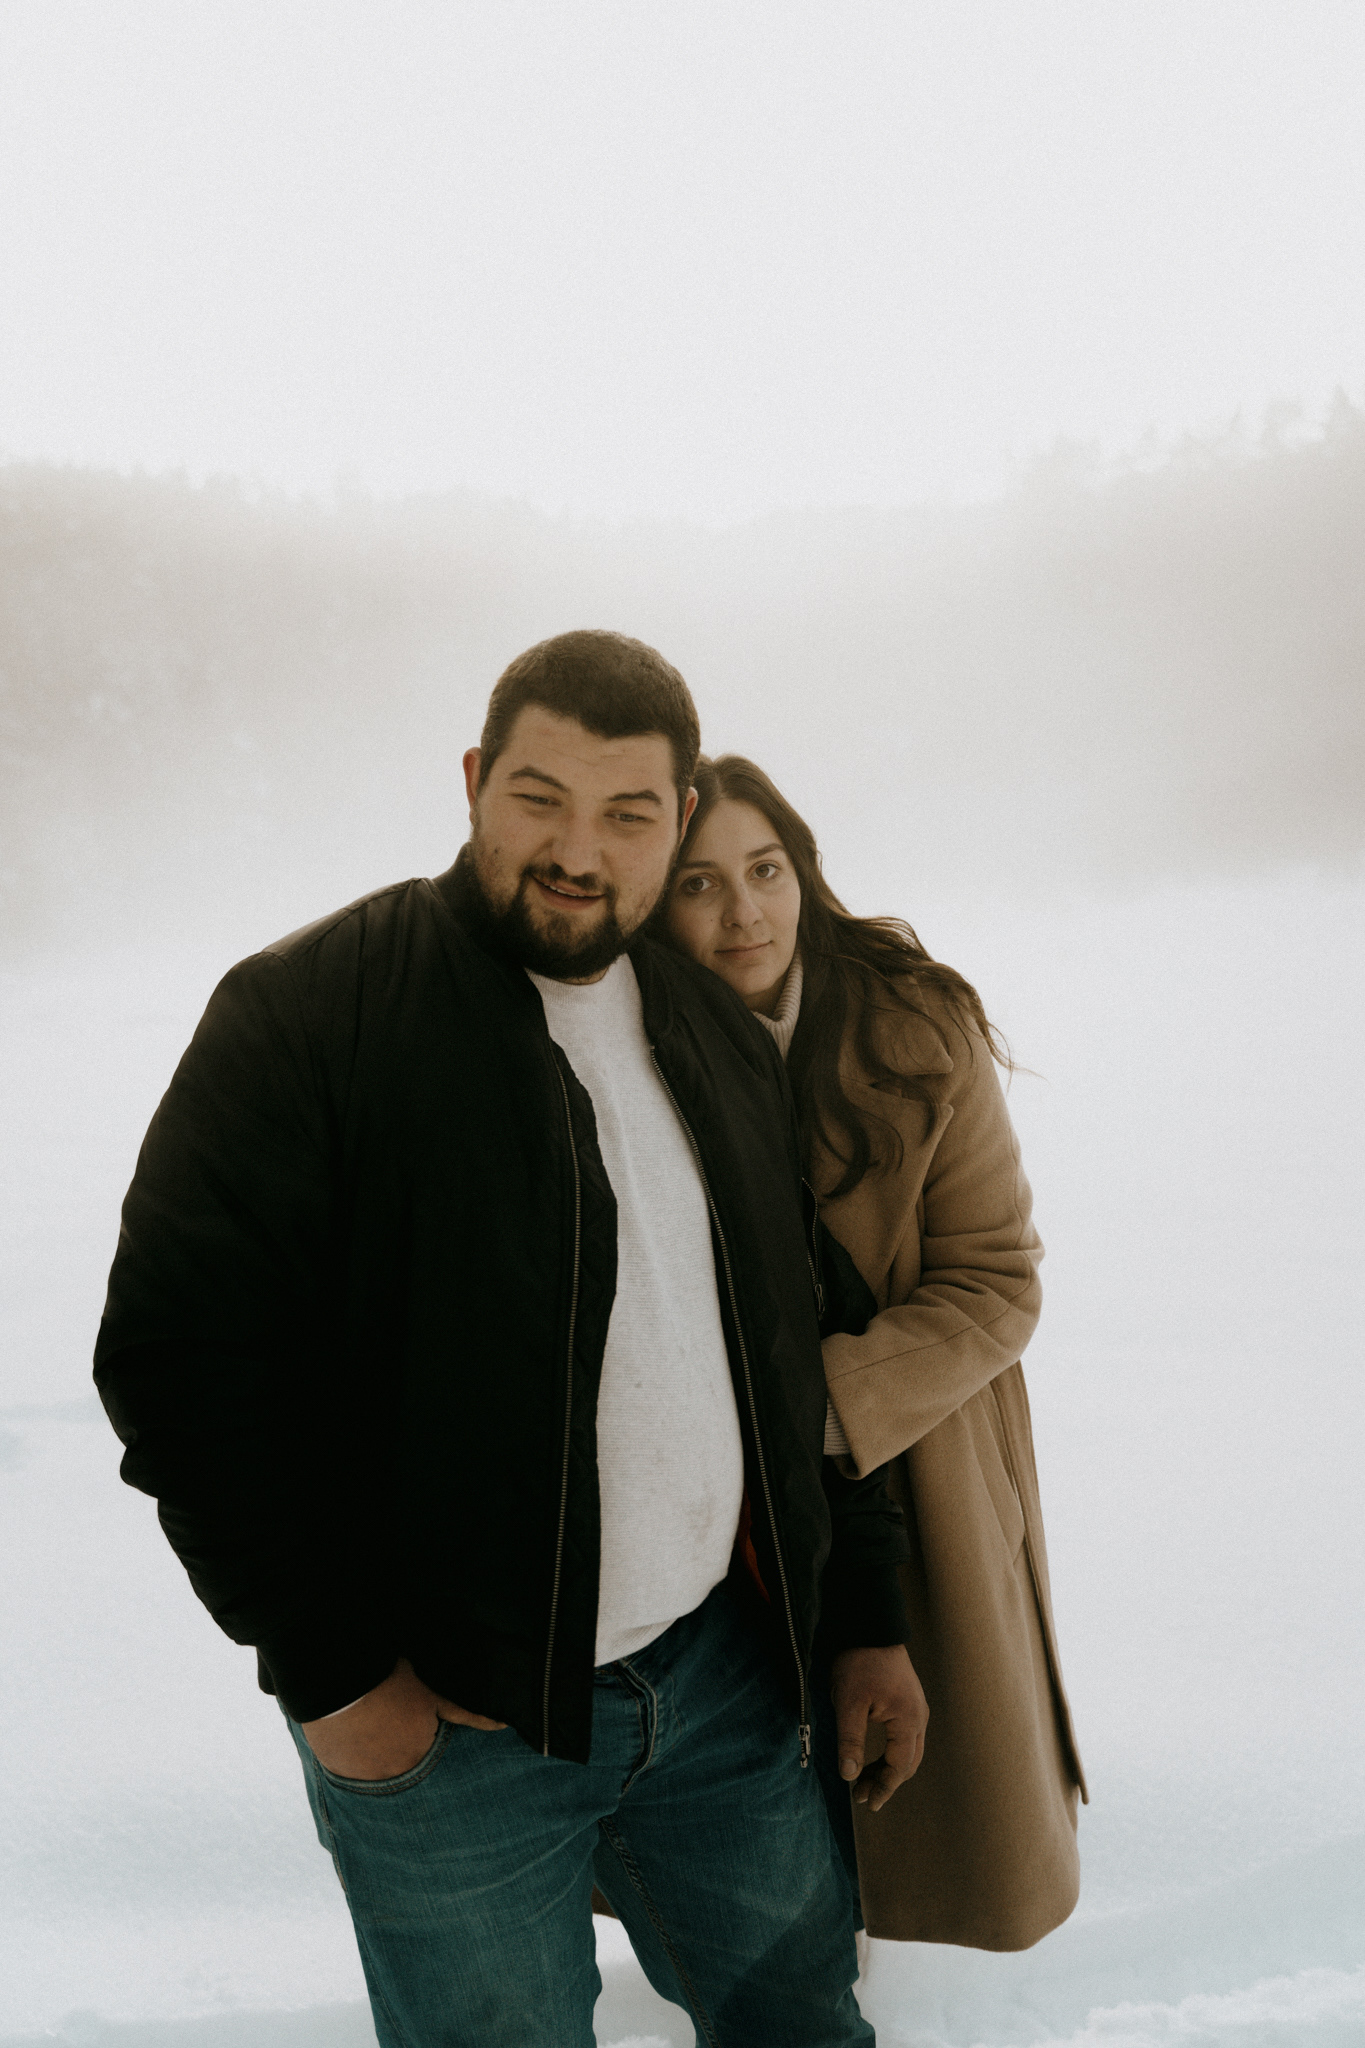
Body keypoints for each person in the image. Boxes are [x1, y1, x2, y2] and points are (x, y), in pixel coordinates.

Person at [93, 632, 929, 2048]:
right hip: (454, 1731)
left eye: (629, 813)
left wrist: (861, 1615)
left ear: (678, 818)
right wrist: (341, 1680)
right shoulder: (311, 1014)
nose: (578, 851)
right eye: (540, 797)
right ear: (476, 778)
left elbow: (803, 1348)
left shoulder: (711, 1033)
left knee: (801, 2022)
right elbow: (178, 1363)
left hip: (724, 1689)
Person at [663, 754, 1088, 1953]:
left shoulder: (913, 1026)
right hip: (705, 1495)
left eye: (765, 869)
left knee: (915, 1808)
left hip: (914, 1457)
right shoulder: (630, 1038)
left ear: (804, 870)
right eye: (700, 882)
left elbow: (997, 1279)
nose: (744, 911)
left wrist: (812, 1408)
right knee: (737, 1806)